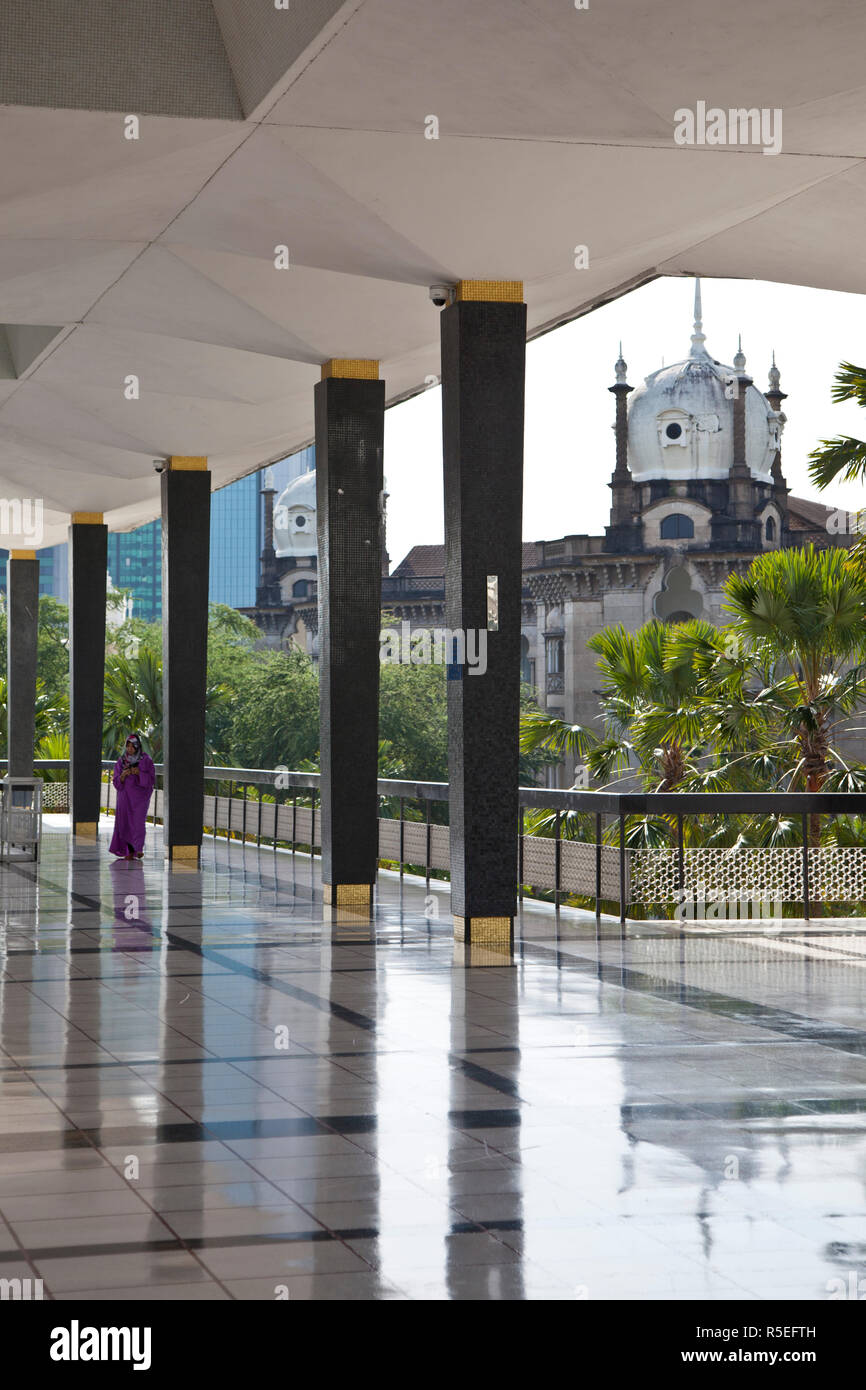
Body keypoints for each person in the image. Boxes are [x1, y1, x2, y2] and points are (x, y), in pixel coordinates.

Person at [109, 734, 155, 860]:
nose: (130, 749)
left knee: (138, 822)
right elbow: (116, 781)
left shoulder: (146, 760)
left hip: (140, 798)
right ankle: (129, 850)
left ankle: (138, 848)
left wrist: (139, 773)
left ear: (137, 746)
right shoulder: (122, 761)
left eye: (132, 746)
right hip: (125, 797)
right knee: (125, 823)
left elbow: (151, 780)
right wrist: (123, 775)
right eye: (127, 746)